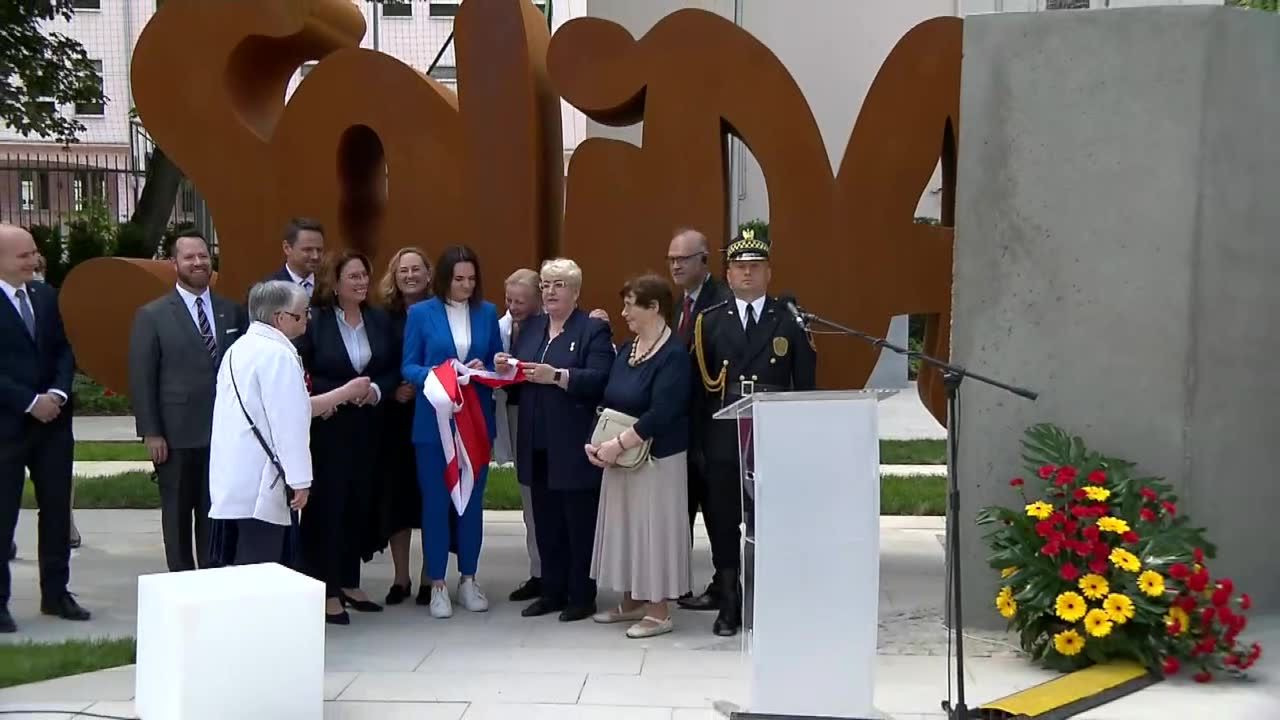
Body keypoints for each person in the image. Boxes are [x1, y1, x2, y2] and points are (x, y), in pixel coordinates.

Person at [691, 230, 816, 636]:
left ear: (768, 272)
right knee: (724, 518)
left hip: (773, 430)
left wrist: (799, 442)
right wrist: (700, 442)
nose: (747, 273)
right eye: (740, 267)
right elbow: (698, 387)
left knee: (770, 519)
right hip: (726, 431)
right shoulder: (709, 321)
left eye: (755, 267)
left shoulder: (790, 320)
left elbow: (804, 385)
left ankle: (770, 599)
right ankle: (729, 600)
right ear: (727, 274)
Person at [208, 281, 369, 567]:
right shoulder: (278, 355)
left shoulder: (239, 348)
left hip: (232, 480)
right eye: (302, 313)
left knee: (239, 567)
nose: (308, 318)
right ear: (280, 318)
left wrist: (344, 392)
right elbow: (289, 424)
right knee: (265, 571)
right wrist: (300, 481)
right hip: (262, 485)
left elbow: (292, 408)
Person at [500, 258, 614, 623]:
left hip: (572, 440)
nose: (550, 291)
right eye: (546, 284)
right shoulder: (532, 327)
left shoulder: (591, 329)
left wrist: (559, 376)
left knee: (577, 521)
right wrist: (508, 368)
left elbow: (599, 377)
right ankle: (551, 590)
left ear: (576, 292)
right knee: (545, 519)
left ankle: (581, 594)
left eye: (559, 284)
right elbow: (522, 373)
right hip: (536, 439)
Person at [128, 230, 248, 572]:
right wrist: (151, 432)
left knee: (215, 511)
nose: (198, 262)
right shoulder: (152, 315)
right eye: (189, 257)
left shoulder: (231, 311)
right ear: (173, 264)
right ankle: (181, 579)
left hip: (223, 435)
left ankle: (212, 576)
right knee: (178, 513)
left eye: (203, 255)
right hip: (176, 436)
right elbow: (142, 377)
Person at [586, 274, 692, 638]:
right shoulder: (628, 348)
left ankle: (659, 611)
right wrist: (598, 442)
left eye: (630, 305)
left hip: (656, 459)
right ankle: (631, 601)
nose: (624, 312)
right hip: (622, 456)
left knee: (653, 531)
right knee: (627, 529)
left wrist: (619, 444)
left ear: (654, 307)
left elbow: (663, 412)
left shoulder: (674, 354)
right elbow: (611, 397)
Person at [402, 246, 503, 618]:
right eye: (459, 279)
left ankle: (469, 578)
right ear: (444, 278)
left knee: (472, 503)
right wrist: (440, 374)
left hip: (474, 421)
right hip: (434, 423)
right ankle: (437, 584)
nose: (466, 286)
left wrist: (487, 365)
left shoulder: (487, 312)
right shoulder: (421, 313)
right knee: (436, 503)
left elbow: (496, 360)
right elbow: (409, 365)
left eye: (471, 279)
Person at [299, 251, 400, 625]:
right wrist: (343, 391)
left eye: (364, 276)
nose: (360, 283)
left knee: (359, 502)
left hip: (369, 426)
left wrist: (374, 389)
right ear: (334, 282)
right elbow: (304, 371)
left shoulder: (377, 319)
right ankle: (326, 590)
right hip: (328, 428)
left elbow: (391, 367)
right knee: (329, 507)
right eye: (353, 276)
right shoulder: (317, 321)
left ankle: (350, 581)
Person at [0, 224, 90, 633]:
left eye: (34, 253)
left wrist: (56, 393)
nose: (34, 260)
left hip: (53, 426)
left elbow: (64, 349)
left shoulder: (45, 295)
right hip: (7, 426)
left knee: (56, 511)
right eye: (24, 255)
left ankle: (56, 593)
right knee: (3, 515)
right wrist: (29, 402)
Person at [667, 227, 733, 613]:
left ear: (704, 261)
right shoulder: (681, 304)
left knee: (718, 513)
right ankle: (676, 582)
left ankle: (726, 586)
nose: (675, 265)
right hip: (682, 429)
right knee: (681, 511)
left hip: (712, 429)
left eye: (683, 259)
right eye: (671, 259)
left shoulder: (720, 302)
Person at [375, 247, 432, 605]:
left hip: (434, 412)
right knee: (398, 496)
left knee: (430, 496)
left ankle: (431, 576)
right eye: (402, 270)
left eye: (416, 269)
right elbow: (374, 361)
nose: (409, 275)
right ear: (393, 276)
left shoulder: (440, 312)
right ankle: (401, 578)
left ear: (428, 274)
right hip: (395, 415)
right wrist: (393, 387)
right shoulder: (382, 317)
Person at [496, 268, 544, 603]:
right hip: (512, 413)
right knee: (528, 496)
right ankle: (538, 572)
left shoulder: (549, 325)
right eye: (509, 300)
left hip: (545, 416)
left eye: (521, 302)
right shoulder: (499, 327)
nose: (513, 307)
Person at [268, 218, 325, 297]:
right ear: (287, 248)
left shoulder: (329, 290)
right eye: (308, 250)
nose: (315, 256)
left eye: (319, 250)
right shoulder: (268, 291)